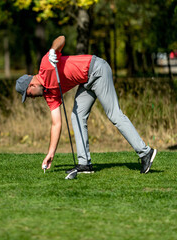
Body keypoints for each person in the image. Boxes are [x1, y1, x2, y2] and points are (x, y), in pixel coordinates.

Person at [15, 36, 157, 174]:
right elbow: (56, 124)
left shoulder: (46, 65)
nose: (32, 98)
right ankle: (85, 164)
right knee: (77, 116)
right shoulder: (50, 95)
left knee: (114, 114)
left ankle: (145, 153)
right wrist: (51, 153)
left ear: (31, 85)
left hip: (97, 69)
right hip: (86, 80)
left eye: (29, 95)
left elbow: (62, 38)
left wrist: (53, 50)